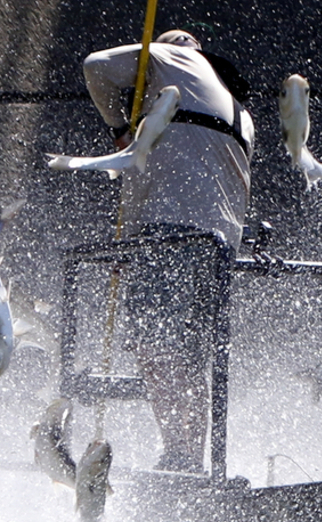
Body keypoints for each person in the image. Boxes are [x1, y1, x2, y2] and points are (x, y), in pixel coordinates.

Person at [82, 28, 255, 475]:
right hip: (217, 249)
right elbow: (173, 169)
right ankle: (189, 459)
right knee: (188, 356)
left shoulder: (172, 60)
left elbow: (95, 67)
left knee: (153, 343)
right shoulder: (239, 115)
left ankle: (178, 453)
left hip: (172, 234)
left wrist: (120, 130)